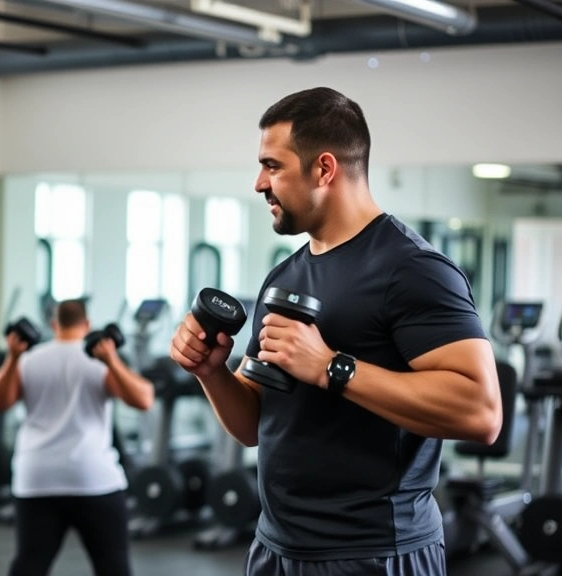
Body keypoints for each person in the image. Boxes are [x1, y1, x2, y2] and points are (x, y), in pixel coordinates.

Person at [170, 87, 503, 575]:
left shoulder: (413, 268)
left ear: (324, 169)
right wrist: (211, 372)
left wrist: (331, 367)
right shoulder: (284, 277)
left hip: (375, 553)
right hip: (277, 548)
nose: (259, 182)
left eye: (273, 165)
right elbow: (254, 427)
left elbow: (481, 410)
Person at [0, 299, 155, 576]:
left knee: (30, 564)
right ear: (87, 325)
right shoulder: (99, 360)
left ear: (53, 325)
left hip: (36, 478)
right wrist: (112, 360)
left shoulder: (28, 359)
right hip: (93, 478)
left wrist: (13, 356)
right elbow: (144, 399)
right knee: (113, 565)